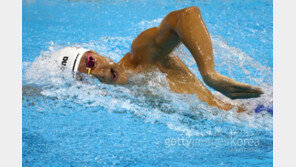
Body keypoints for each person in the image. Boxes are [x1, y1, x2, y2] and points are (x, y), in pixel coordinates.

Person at [56, 6, 263, 112]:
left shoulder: (141, 56)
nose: (97, 70)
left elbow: (187, 15)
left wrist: (209, 73)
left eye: (91, 62)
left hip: (256, 112)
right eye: (88, 75)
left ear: (96, 53)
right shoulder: (122, 99)